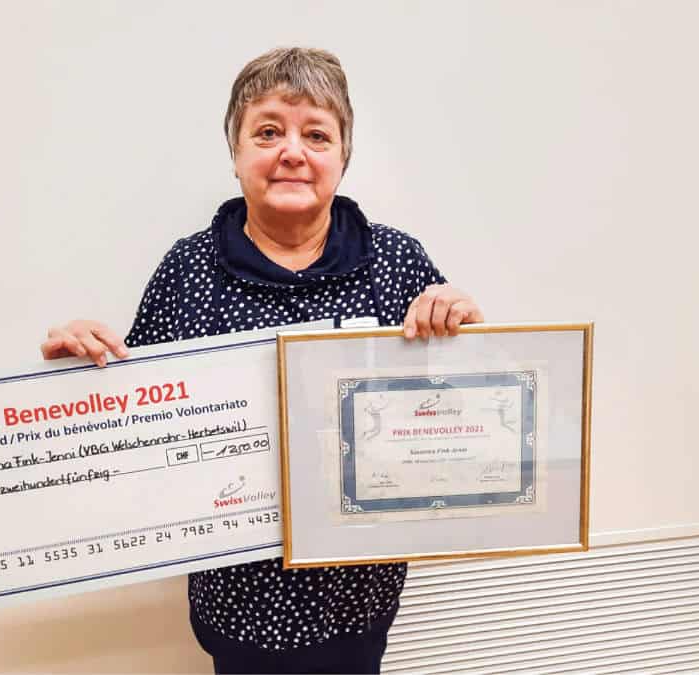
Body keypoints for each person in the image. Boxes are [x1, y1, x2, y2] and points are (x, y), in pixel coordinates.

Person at [40, 47, 484, 674]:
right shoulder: (188, 270)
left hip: (358, 600)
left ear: (344, 155)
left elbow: (454, 416)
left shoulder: (395, 262)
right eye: (268, 131)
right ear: (236, 152)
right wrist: (72, 374)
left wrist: (466, 333)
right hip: (234, 605)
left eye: (317, 135)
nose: (292, 152)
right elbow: (134, 423)